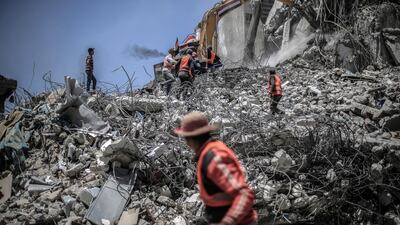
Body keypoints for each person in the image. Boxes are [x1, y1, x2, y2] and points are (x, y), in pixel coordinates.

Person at [174, 111, 257, 225]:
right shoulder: (209, 151)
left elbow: (244, 194)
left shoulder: (214, 158)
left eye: (186, 139)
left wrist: (228, 222)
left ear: (190, 139)